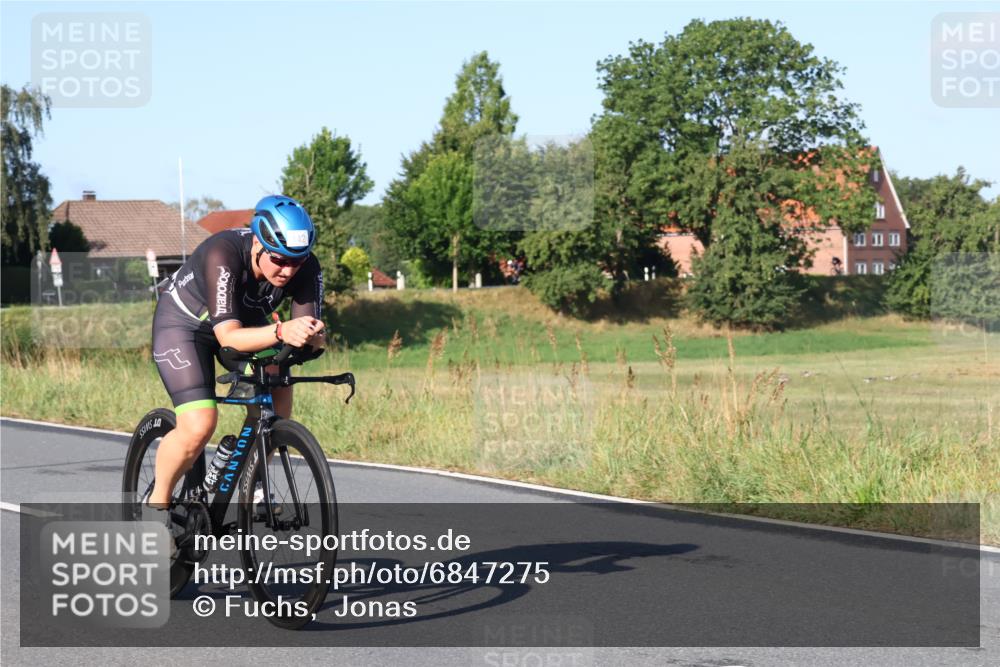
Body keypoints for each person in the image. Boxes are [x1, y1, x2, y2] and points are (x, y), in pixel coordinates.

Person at [147, 195, 326, 511]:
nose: (288, 270)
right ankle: (155, 506)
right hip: (184, 325)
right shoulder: (224, 252)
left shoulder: (305, 266)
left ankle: (254, 476)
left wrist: (314, 338)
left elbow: (311, 334)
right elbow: (228, 336)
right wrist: (283, 331)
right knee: (199, 425)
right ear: (258, 242)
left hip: (242, 322)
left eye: (296, 261)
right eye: (280, 260)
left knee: (278, 382)